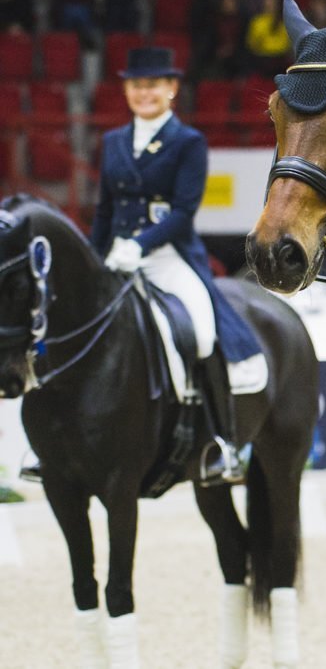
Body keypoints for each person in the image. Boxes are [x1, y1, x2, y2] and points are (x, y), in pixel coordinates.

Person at [20, 48, 266, 485]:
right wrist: (92, 258)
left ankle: (221, 442)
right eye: (136, 85)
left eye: (153, 84)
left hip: (169, 255)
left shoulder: (188, 142)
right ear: (127, 90)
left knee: (202, 332)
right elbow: (106, 207)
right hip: (114, 256)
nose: (144, 92)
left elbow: (183, 211)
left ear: (171, 89)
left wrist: (139, 244)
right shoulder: (113, 141)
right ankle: (47, 443)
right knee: (63, 319)